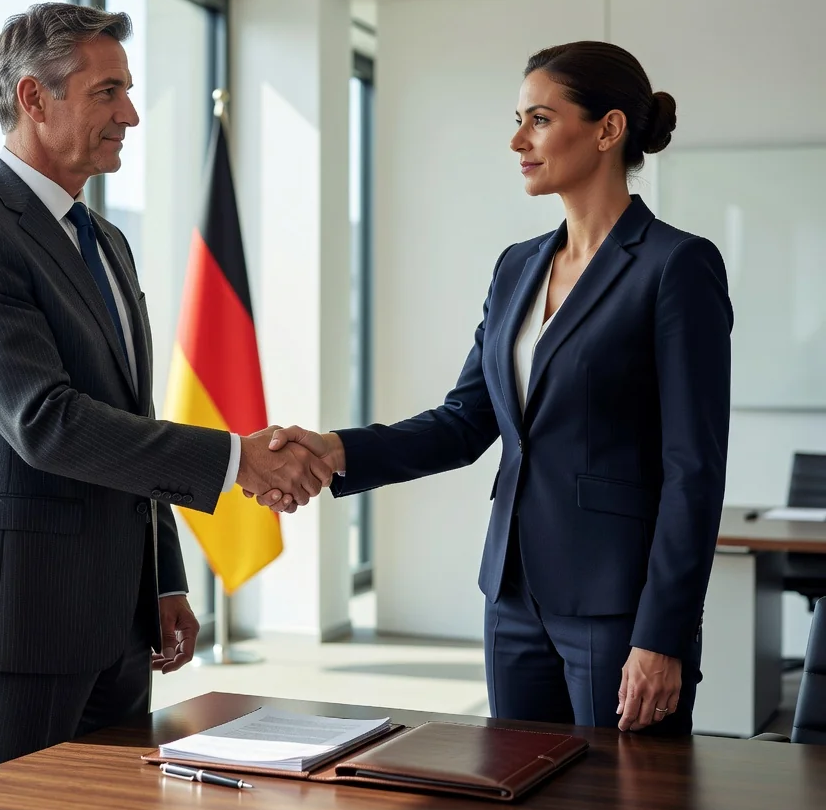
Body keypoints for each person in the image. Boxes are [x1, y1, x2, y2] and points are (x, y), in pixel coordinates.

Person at [255, 41, 732, 735]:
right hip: (511, 595)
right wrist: (333, 449)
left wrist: (662, 634)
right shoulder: (518, 267)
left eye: (538, 119)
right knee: (519, 809)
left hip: (619, 605)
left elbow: (694, 469)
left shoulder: (675, 265)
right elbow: (465, 421)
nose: (517, 140)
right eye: (518, 119)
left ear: (608, 129)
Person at [0, 3, 331, 767]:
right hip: (17, 622)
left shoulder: (105, 241)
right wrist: (238, 459)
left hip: (117, 622)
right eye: (107, 92)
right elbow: (47, 422)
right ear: (34, 99)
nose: (130, 114)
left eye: (127, 91)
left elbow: (131, 417)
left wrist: (162, 575)